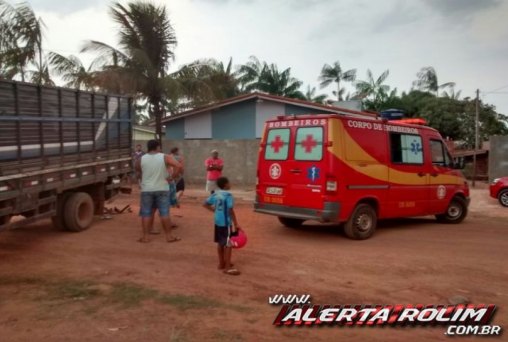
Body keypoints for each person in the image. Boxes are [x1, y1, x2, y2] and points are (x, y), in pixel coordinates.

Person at [135, 139, 182, 243]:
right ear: (157, 147)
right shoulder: (164, 157)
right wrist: (172, 177)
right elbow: (178, 166)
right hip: (162, 188)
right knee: (164, 213)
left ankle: (145, 237)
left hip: (146, 189)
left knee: (146, 213)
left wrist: (144, 176)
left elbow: (137, 169)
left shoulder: (141, 159)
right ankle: (169, 237)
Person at [203, 177, 241, 276]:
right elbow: (230, 210)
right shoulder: (228, 195)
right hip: (226, 223)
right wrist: (236, 223)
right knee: (228, 244)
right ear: (225, 185)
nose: (230, 184)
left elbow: (205, 204)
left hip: (217, 221)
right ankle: (227, 267)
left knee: (220, 242)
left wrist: (214, 211)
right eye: (229, 183)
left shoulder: (215, 194)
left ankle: (221, 263)